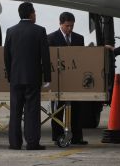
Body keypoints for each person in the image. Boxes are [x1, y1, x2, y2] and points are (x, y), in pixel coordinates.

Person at [4, 2, 51, 150]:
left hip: (16, 77)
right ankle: (32, 142)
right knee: (32, 111)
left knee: (15, 111)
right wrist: (47, 78)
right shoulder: (39, 31)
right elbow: (45, 56)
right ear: (31, 14)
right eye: (34, 12)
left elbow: (6, 56)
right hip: (32, 77)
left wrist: (10, 75)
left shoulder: (10, 31)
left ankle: (14, 143)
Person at [47, 12, 88, 145]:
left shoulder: (79, 38)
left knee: (77, 109)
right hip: (58, 81)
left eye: (72, 26)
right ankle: (57, 136)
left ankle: (77, 137)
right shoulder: (51, 38)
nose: (70, 29)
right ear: (61, 24)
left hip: (74, 81)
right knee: (58, 110)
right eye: (67, 26)